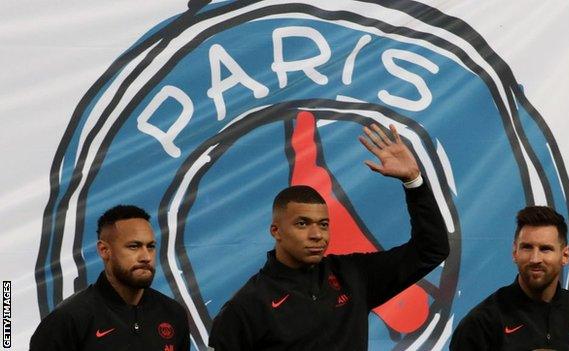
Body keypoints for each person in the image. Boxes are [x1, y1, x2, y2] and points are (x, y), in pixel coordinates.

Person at [208, 124, 450, 350]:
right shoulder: (247, 306)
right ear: (276, 231)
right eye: (302, 224)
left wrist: (414, 182)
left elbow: (431, 250)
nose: (316, 235)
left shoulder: (354, 275)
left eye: (323, 224)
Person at [450, 206, 569, 351]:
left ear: (565, 255)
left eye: (545, 249)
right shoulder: (482, 322)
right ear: (515, 252)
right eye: (527, 247)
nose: (535, 258)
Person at [30, 205, 190, 351]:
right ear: (104, 250)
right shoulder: (69, 319)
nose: (146, 256)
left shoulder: (173, 314)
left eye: (151, 246)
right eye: (134, 246)